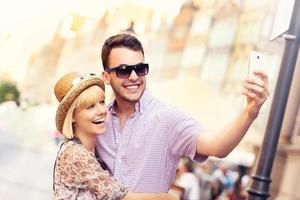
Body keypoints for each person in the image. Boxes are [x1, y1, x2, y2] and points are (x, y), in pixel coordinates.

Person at [96, 33, 269, 193]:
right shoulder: (97, 121)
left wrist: (250, 112)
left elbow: (218, 146)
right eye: (124, 70)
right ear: (106, 77)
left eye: (140, 68)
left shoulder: (168, 119)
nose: (134, 77)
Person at [52, 72, 177, 200]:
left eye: (101, 102)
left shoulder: (93, 149)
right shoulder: (74, 154)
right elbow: (119, 197)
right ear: (72, 116)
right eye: (90, 107)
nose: (102, 110)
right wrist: (168, 198)